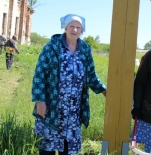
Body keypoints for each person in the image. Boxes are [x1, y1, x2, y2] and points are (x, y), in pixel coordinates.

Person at [31, 14, 107, 155]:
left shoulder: (85, 49)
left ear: (82, 31)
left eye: (78, 27)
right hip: (52, 108)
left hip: (73, 111)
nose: (75, 30)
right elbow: (39, 74)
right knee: (47, 148)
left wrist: (104, 90)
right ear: (65, 27)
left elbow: (90, 75)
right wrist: (40, 100)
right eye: (72, 26)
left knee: (68, 150)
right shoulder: (51, 47)